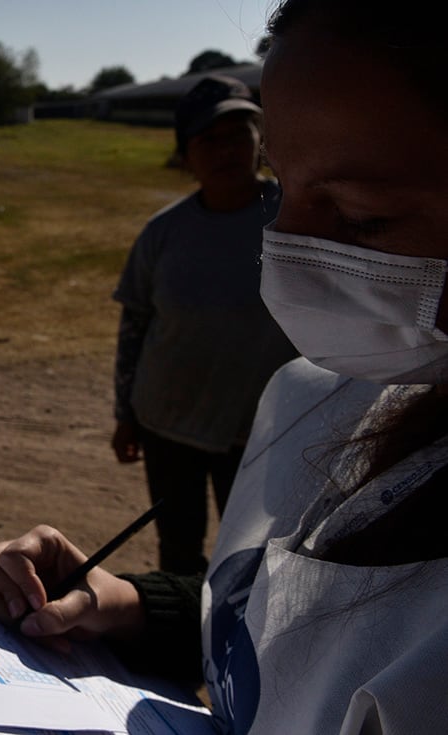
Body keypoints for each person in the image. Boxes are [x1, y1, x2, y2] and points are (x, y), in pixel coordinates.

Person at [0, 1, 448, 731]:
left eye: (360, 217)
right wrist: (122, 603)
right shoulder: (334, 397)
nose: (283, 247)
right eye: (281, 185)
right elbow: (280, 611)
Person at [111, 74, 296, 574]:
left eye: (239, 133)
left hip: (263, 429)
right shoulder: (163, 232)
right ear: (185, 154)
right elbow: (136, 325)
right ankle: (179, 646)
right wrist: (126, 411)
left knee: (259, 559)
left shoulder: (297, 219)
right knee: (178, 551)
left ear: (261, 140)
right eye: (208, 139)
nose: (226, 149)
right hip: (168, 420)